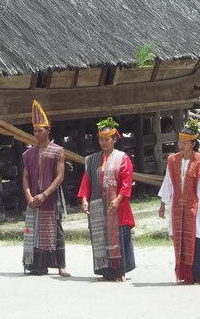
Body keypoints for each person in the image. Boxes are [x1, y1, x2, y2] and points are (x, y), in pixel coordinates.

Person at [158, 121, 200, 285]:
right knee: (182, 238)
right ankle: (185, 274)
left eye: (185, 143)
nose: (181, 145)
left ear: (193, 144)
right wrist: (162, 203)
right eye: (180, 142)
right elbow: (168, 183)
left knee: (199, 238)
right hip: (179, 207)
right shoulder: (173, 161)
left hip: (198, 207)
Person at [77, 117, 136, 281]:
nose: (103, 143)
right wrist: (84, 198)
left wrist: (118, 200)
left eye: (107, 139)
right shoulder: (92, 160)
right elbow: (86, 181)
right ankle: (106, 270)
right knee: (101, 236)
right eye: (101, 140)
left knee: (117, 236)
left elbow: (126, 182)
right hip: (98, 205)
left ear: (114, 139)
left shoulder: (122, 158)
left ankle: (119, 271)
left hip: (117, 205)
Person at [22, 100, 71, 277]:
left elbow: (60, 176)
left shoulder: (58, 151)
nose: (36, 133)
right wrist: (28, 195)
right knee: (33, 229)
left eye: (40, 130)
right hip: (33, 196)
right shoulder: (28, 154)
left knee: (55, 229)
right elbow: (25, 176)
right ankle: (36, 265)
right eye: (34, 130)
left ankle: (60, 265)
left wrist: (45, 194)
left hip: (50, 196)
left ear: (48, 130)